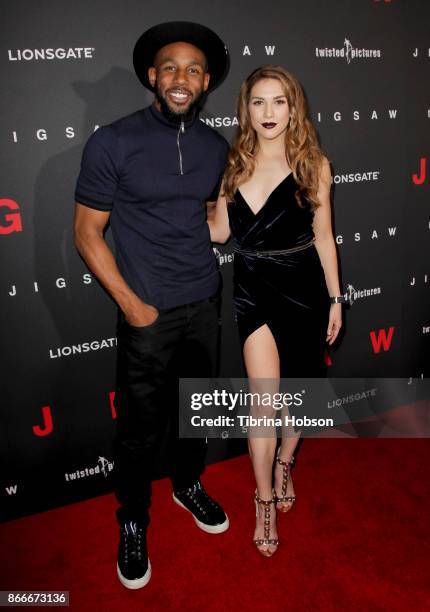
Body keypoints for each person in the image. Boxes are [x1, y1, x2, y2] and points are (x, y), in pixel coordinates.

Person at [74, 21, 230, 589]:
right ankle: (133, 520)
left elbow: (213, 222)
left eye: (193, 69)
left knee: (195, 414)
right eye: (169, 67)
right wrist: (133, 305)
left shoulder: (216, 145)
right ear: (151, 76)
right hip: (148, 314)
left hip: (205, 302)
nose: (180, 77)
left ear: (206, 80)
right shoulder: (113, 141)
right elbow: (87, 233)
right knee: (139, 430)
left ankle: (188, 486)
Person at [208, 65, 344, 557]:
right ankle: (263, 497)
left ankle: (286, 461)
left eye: (279, 101)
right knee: (263, 402)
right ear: (246, 108)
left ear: (293, 107)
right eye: (258, 102)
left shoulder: (313, 164)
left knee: (301, 396)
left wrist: (335, 299)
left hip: (304, 287)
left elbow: (324, 238)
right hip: (252, 288)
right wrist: (166, 210)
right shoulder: (233, 165)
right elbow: (220, 232)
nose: (268, 112)